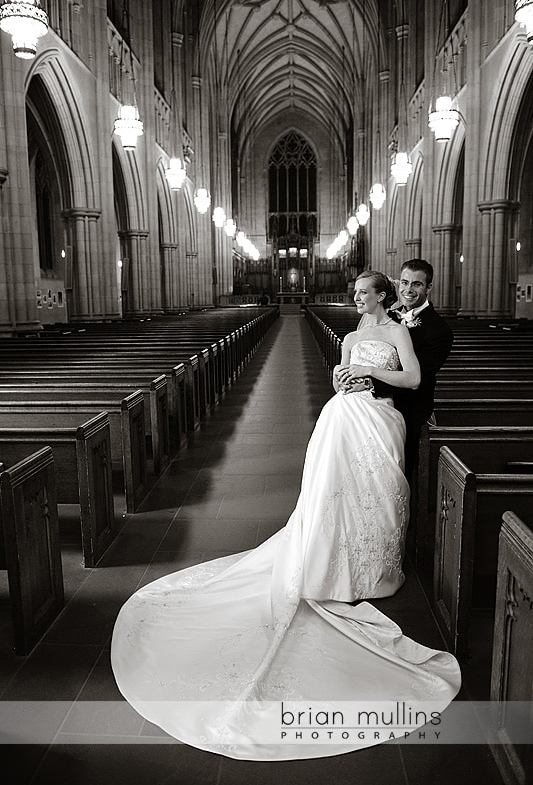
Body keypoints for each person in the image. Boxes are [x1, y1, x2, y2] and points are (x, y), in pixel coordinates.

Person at [111, 271, 461, 761]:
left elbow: (413, 378)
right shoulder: (355, 335)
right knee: (332, 493)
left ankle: (374, 567)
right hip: (345, 415)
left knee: (378, 495)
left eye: (363, 293)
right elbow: (340, 373)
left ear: (381, 296)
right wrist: (345, 376)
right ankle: (331, 558)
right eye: (356, 293)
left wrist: (371, 375)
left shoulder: (396, 331)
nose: (356, 299)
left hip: (381, 417)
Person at [370, 260, 454, 480]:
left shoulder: (439, 330)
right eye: (405, 282)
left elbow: (418, 378)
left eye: (417, 284)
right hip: (376, 407)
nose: (408, 290)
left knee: (399, 474)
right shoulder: (389, 317)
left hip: (410, 411)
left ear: (428, 287)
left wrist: (369, 384)